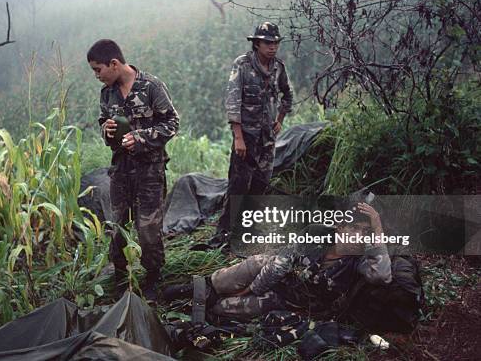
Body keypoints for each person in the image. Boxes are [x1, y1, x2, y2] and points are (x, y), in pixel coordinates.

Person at [167, 203, 393, 321]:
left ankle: (202, 304)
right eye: (352, 228)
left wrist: (378, 228)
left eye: (365, 231)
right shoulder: (316, 233)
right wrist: (249, 289)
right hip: (278, 276)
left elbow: (382, 276)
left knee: (223, 307)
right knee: (258, 262)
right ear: (339, 227)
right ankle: (201, 287)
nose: (357, 236)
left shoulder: (360, 261)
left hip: (290, 303)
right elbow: (281, 263)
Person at [87, 39, 179, 302]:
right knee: (118, 227)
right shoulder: (107, 93)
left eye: (98, 69)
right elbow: (104, 121)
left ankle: (153, 279)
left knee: (148, 229)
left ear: (114, 64)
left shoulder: (151, 86)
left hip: (150, 170)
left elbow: (172, 122)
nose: (96, 76)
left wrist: (141, 138)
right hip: (121, 170)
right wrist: (106, 129)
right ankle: (121, 279)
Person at [214, 22, 293, 246]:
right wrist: (238, 137)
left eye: (276, 42)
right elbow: (232, 101)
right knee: (238, 185)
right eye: (268, 43)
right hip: (246, 137)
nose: (273, 47)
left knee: (261, 184)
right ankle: (225, 232)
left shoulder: (278, 67)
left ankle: (249, 230)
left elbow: (288, 95)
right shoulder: (242, 65)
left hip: (267, 138)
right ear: (257, 43)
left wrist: (280, 119)